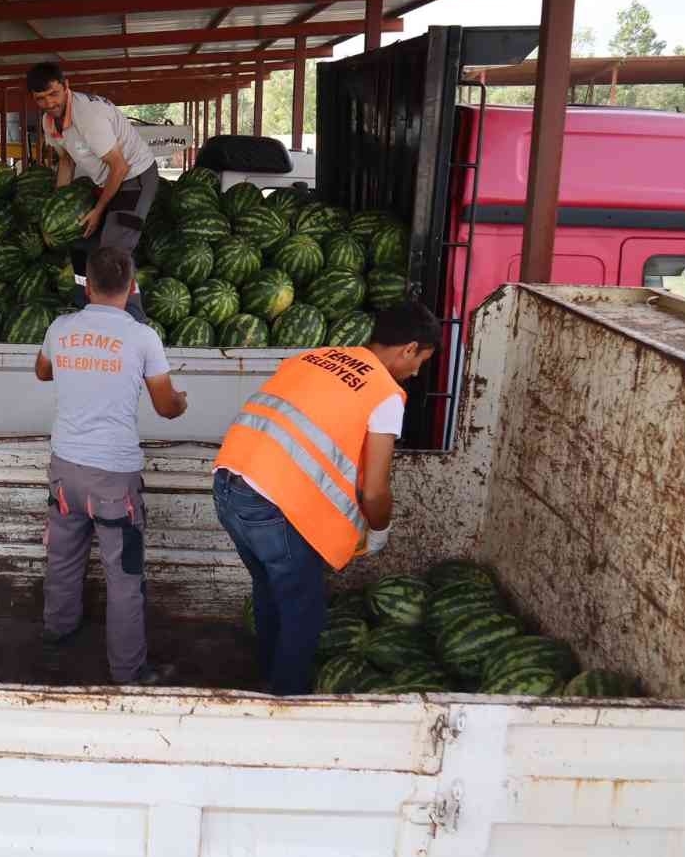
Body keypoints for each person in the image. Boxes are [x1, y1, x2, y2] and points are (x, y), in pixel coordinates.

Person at [211, 302, 442, 696]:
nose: (417, 372)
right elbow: (375, 489)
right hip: (269, 504)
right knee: (304, 612)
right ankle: (286, 703)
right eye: (421, 360)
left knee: (269, 588)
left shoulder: (315, 357)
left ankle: (266, 679)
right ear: (409, 348)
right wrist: (380, 529)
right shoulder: (385, 394)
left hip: (227, 485)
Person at [33, 247, 189, 686]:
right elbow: (166, 407)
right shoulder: (143, 337)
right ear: (132, 285)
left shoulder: (61, 327)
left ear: (87, 283)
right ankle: (128, 670)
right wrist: (181, 401)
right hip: (113, 480)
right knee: (124, 575)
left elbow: (43, 372)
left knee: (62, 558)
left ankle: (57, 632)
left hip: (65, 469)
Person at [28, 62, 160, 320]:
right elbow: (66, 160)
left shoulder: (88, 116)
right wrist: (58, 206)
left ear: (66, 87)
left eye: (53, 94)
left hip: (135, 177)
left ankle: (134, 318)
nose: (49, 103)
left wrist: (99, 211)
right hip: (108, 180)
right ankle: (84, 305)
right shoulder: (49, 122)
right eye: (40, 99)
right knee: (81, 243)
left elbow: (119, 167)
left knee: (113, 255)